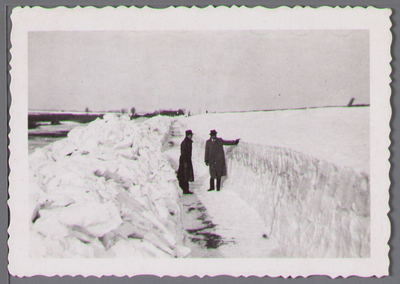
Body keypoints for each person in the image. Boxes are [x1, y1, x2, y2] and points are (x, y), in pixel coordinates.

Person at [177, 130, 194, 195]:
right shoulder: (186, 142)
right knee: (185, 175)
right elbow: (184, 153)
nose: (191, 136)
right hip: (185, 160)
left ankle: (185, 189)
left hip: (185, 160)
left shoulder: (187, 142)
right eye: (191, 135)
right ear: (188, 135)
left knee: (185, 175)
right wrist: (186, 161)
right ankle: (185, 189)